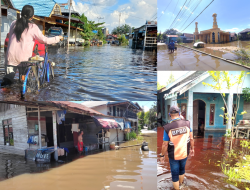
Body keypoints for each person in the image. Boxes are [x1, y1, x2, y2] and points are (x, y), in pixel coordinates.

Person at [1, 5, 63, 86]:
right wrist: (58, 38)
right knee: (23, 82)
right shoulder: (33, 27)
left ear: (21, 13)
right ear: (32, 16)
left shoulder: (13, 23)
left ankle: (4, 92)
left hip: (10, 57)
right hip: (24, 59)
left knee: (7, 81)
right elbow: (45, 40)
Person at [159, 106, 194, 190]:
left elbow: (164, 144)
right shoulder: (187, 123)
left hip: (173, 155)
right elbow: (192, 138)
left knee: (175, 173)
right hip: (184, 153)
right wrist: (192, 149)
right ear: (179, 114)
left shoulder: (167, 127)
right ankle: (181, 185)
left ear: (169, 115)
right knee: (182, 170)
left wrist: (162, 155)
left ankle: (177, 188)